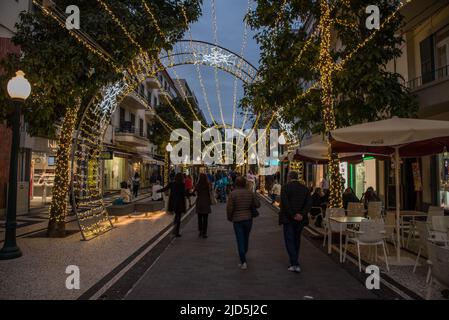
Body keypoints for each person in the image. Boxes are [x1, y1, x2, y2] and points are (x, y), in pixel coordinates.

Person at [279, 171, 312, 273]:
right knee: (297, 239)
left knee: (289, 240)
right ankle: (294, 261)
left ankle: (294, 263)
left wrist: (293, 215)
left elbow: (285, 204)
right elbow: (309, 203)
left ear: (289, 177)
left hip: (288, 219)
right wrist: (301, 214)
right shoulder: (305, 189)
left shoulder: (285, 188)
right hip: (300, 219)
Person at [227, 176, 260, 270]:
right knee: (246, 238)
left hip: (237, 220)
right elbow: (258, 204)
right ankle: (243, 255)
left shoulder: (233, 194)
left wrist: (230, 217)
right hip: (248, 219)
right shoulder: (250, 193)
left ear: (236, 184)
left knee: (240, 239)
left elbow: (229, 208)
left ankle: (243, 261)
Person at [158, 173, 189, 237]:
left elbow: (165, 189)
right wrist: (191, 194)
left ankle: (174, 230)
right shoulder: (182, 184)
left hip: (173, 203)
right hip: (180, 203)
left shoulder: (172, 183)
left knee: (176, 217)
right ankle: (176, 232)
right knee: (178, 217)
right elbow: (184, 193)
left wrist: (157, 191)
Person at [195, 173, 212, 238]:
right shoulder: (208, 184)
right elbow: (210, 191)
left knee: (199, 218)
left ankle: (200, 231)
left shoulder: (198, 184)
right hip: (206, 202)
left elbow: (194, 192)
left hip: (199, 202)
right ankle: (204, 233)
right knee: (205, 219)